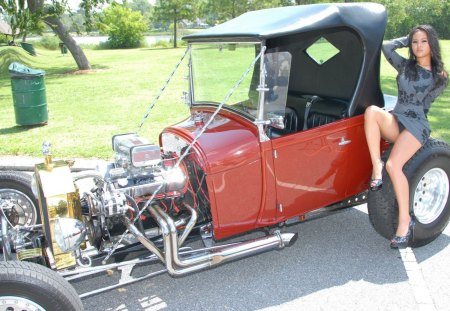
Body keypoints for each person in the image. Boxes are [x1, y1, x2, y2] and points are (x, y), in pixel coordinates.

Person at [364, 25, 448, 249]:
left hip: (416, 125)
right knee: (372, 112)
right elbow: (386, 46)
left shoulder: (439, 76)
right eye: (415, 42)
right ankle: (376, 166)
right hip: (397, 118)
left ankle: (405, 221)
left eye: (424, 41)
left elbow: (424, 106)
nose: (419, 46)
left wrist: (417, 37)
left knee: (394, 165)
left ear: (432, 44)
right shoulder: (405, 65)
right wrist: (408, 37)